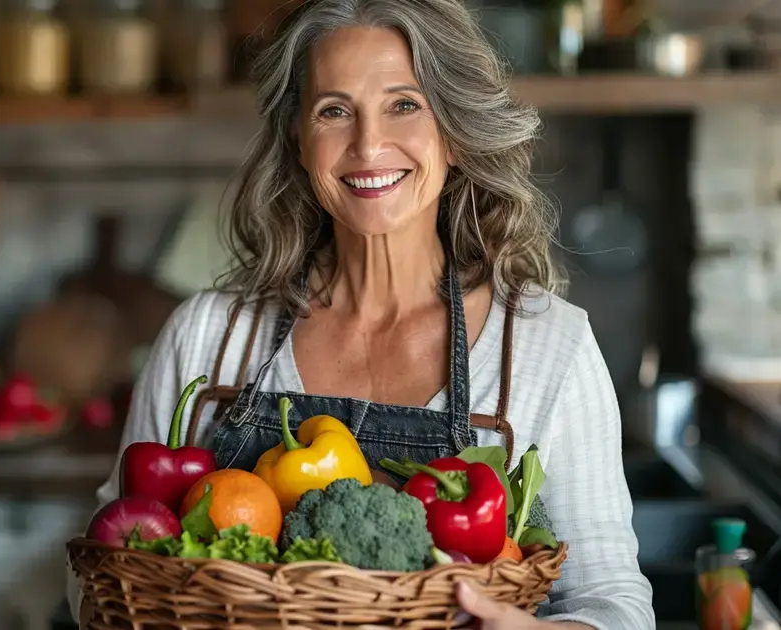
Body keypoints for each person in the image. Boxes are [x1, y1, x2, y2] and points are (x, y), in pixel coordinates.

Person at [67, 0, 655, 628]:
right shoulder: (209, 336)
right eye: (334, 110)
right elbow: (101, 574)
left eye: (404, 104)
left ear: (452, 133)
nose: (369, 144)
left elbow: (614, 604)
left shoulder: (546, 348)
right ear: (298, 138)